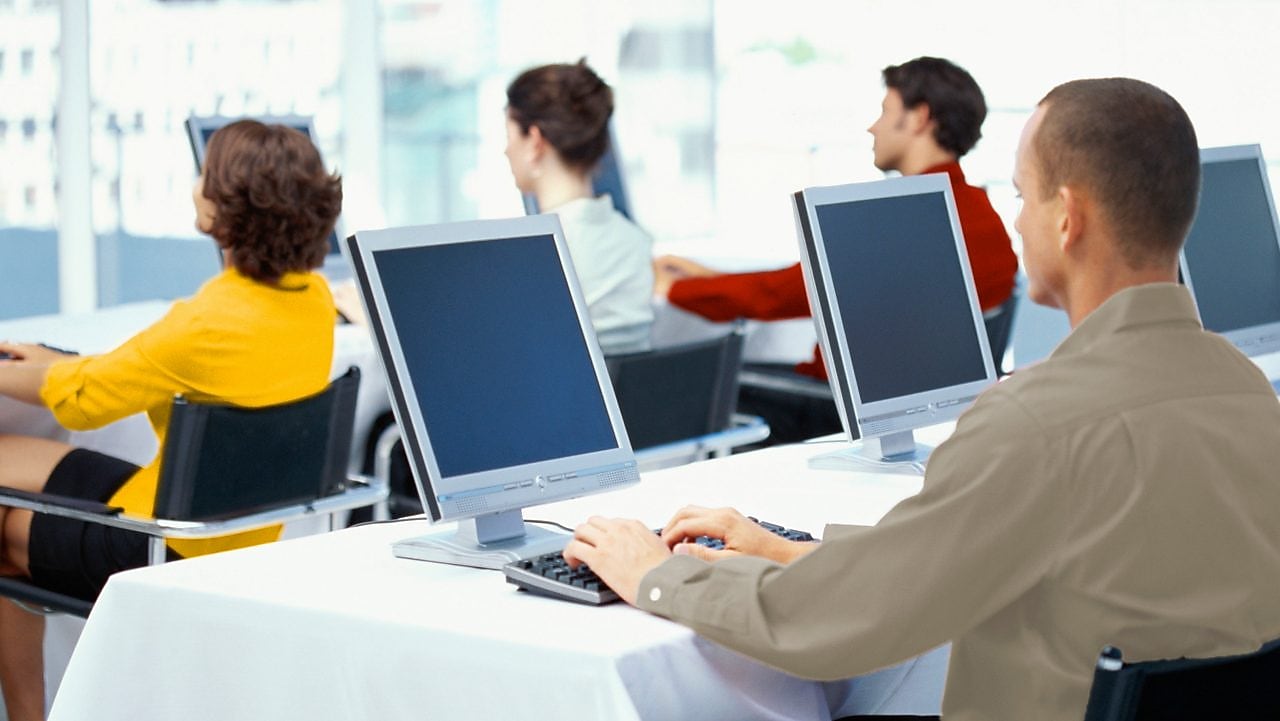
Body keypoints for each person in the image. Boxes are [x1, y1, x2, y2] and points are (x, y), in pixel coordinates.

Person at [563, 78, 1280, 721]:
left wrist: (658, 574)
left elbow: (841, 623)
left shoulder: (1033, 425)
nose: (1018, 222)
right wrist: (785, 548)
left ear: (1067, 218)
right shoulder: (1250, 396)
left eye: (1022, 197)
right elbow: (967, 559)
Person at [0, 120, 342, 721]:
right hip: (237, 531)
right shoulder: (312, 301)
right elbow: (133, 368)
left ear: (228, 207)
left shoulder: (205, 321)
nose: (195, 184)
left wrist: (41, 369)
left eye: (204, 175)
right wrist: (60, 364)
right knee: (8, 454)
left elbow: (82, 401)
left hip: (165, 544)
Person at [654, 57, 1018, 444]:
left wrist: (672, 289)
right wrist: (709, 276)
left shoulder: (899, 216)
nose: (872, 127)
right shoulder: (981, 217)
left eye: (884, 111)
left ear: (918, 118)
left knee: (698, 383)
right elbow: (809, 281)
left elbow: (780, 296)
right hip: (929, 419)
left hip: (843, 410)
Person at [505, 59, 654, 355]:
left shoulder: (531, 255)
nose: (505, 150)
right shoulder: (635, 242)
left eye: (509, 136)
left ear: (534, 141)